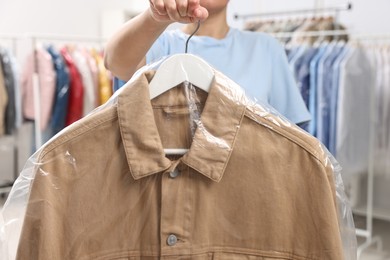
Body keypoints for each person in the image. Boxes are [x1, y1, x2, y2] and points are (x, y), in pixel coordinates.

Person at [104, 0, 311, 125]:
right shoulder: (159, 45)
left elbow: (292, 137)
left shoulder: (266, 48)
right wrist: (154, 18)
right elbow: (115, 62)